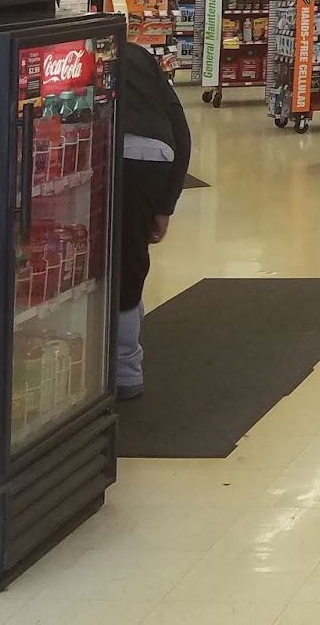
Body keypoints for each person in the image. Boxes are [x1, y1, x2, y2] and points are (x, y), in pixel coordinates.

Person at [115, 41, 191, 401]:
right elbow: (181, 131)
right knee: (131, 257)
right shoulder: (141, 57)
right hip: (156, 152)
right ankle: (126, 365)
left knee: (115, 262)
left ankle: (124, 370)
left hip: (111, 146)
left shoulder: (79, 51)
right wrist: (165, 206)